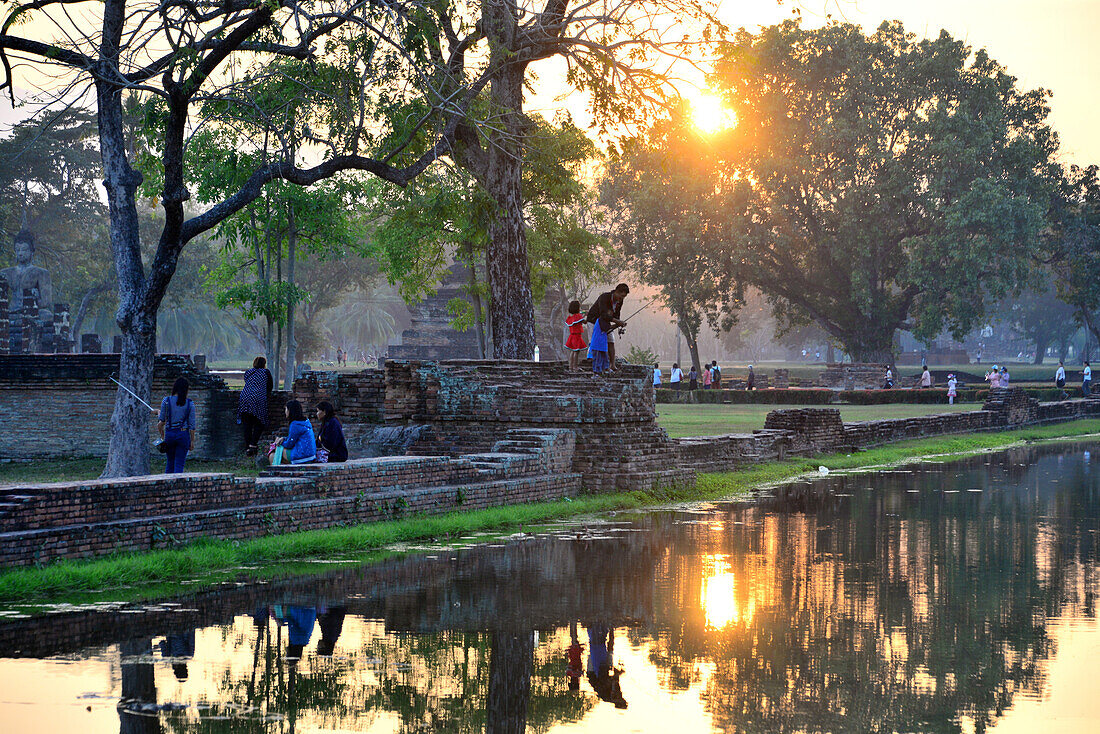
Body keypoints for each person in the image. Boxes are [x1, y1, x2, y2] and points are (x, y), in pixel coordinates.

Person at [157, 377, 196, 474]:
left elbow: (161, 422)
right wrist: (192, 441)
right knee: (179, 464)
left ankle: (167, 486)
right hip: (183, 434)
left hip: (170, 434)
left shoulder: (166, 401)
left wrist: (162, 435)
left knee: (170, 463)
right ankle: (178, 486)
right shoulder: (190, 403)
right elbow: (192, 426)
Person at [586, 284, 629, 369]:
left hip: (606, 322)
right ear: (616, 292)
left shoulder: (620, 301)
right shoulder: (604, 297)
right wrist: (617, 321)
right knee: (594, 342)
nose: (622, 299)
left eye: (624, 297)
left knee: (611, 340)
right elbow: (604, 314)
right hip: (594, 321)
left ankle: (612, 365)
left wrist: (618, 324)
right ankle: (594, 363)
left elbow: (617, 314)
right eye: (621, 296)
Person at [238, 356, 274, 456]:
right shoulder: (265, 372)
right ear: (264, 364)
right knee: (260, 421)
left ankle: (247, 447)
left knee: (247, 425)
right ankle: (253, 444)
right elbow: (270, 386)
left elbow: (247, 382)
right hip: (258, 398)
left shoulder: (249, 372)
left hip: (244, 398)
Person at [272, 400, 317, 464]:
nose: (285, 412)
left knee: (278, 448)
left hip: (303, 456)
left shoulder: (295, 424)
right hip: (311, 455)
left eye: (286, 409)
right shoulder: (305, 422)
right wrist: (284, 439)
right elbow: (293, 438)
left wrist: (279, 442)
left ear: (290, 411)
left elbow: (289, 444)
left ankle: (274, 470)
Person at [564, 300, 588, 371]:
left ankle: (570, 366)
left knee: (573, 351)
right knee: (576, 352)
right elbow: (584, 322)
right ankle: (575, 367)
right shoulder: (578, 316)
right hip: (577, 336)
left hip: (572, 336)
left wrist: (583, 314)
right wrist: (587, 316)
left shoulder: (571, 317)